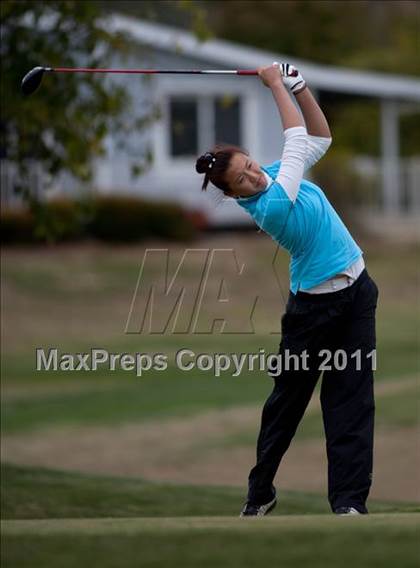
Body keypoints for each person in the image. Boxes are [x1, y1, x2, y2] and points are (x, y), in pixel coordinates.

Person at [195, 63, 379, 517]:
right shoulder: (272, 204)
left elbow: (318, 138)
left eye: (251, 166)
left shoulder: (277, 175)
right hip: (313, 314)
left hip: (357, 293)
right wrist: (276, 84)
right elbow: (295, 140)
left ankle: (349, 506)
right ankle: (260, 493)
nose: (255, 176)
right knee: (287, 405)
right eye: (243, 179)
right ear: (236, 195)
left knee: (351, 402)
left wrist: (299, 86)